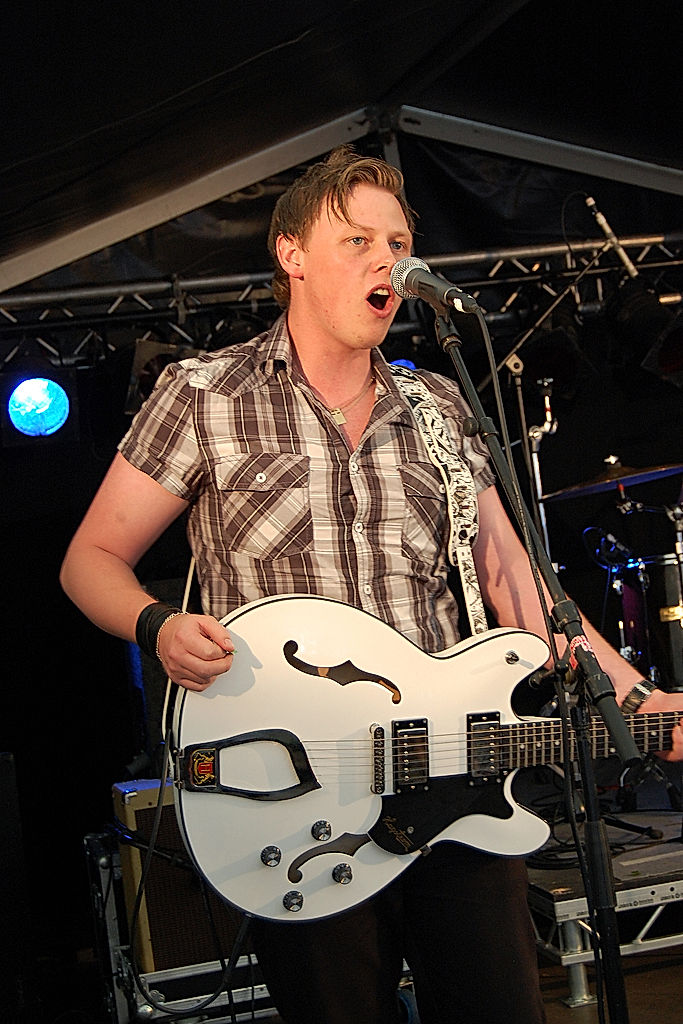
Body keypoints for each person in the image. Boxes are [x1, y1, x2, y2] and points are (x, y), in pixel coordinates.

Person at [60, 146, 683, 1024]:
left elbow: (516, 581)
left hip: (455, 777)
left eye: (396, 241)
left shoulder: (435, 402)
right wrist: (157, 624)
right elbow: (89, 560)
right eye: (356, 239)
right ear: (291, 254)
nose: (384, 259)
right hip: (302, 791)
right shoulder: (205, 394)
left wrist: (639, 699)